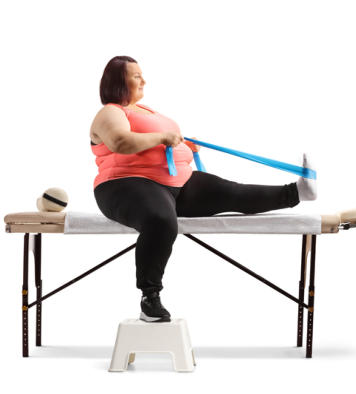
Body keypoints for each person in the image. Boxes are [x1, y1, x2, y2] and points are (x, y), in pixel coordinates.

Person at [90, 56, 317, 323]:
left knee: (233, 192)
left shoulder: (148, 111)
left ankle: (297, 192)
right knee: (161, 220)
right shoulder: (111, 112)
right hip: (126, 184)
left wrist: (186, 146)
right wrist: (164, 137)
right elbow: (120, 142)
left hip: (177, 181)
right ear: (118, 81)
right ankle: (149, 297)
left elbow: (161, 145)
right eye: (136, 75)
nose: (144, 80)